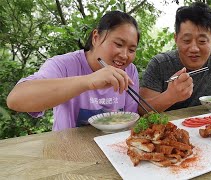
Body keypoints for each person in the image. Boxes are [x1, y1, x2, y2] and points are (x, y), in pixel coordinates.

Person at [6, 11, 140, 131]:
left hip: (113, 150)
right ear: (95, 37)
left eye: (131, 50)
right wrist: (88, 81)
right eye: (118, 44)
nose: (124, 55)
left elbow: (130, 122)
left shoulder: (129, 70)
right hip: (68, 153)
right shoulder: (63, 64)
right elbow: (15, 99)